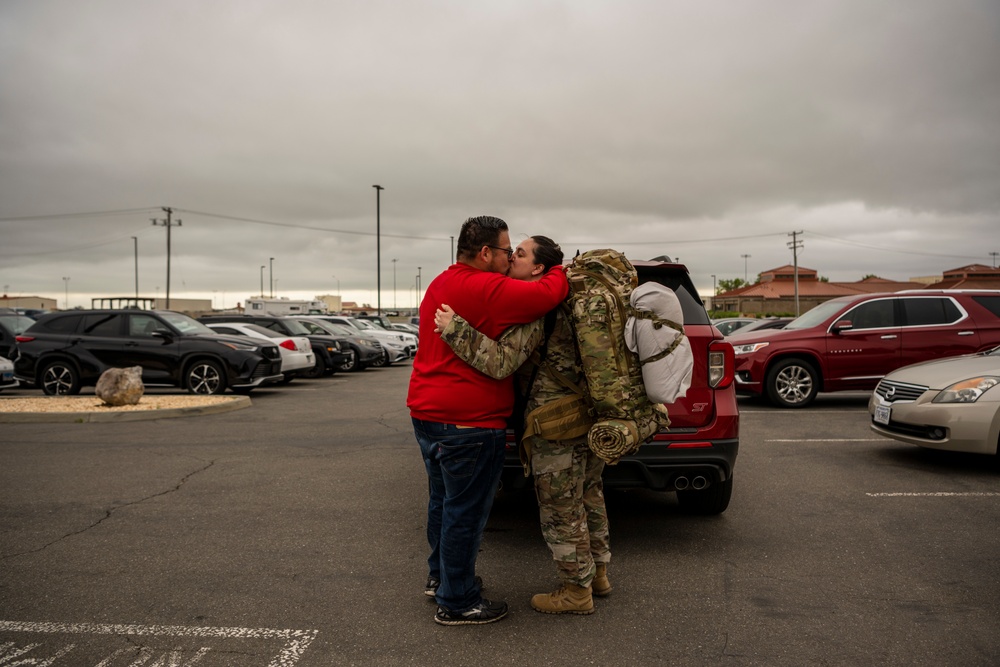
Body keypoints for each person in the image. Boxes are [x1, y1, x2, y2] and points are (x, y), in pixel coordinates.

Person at [434, 235, 612, 616]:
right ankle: (598, 574)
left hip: (554, 422)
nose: (511, 258)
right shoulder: (574, 301)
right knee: (589, 496)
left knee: (560, 508)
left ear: (537, 269)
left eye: (520, 254)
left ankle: (575, 591)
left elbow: (500, 362)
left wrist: (455, 329)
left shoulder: (537, 309)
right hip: (587, 415)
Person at [407, 216, 569, 626]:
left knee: (443, 504)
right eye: (505, 250)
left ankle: (440, 578)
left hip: (427, 415)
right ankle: (458, 601)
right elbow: (548, 293)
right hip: (469, 422)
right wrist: (560, 269)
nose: (508, 256)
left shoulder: (442, 282)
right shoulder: (487, 286)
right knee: (466, 512)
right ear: (485, 253)